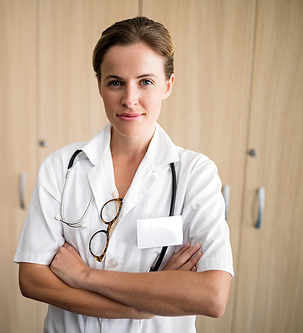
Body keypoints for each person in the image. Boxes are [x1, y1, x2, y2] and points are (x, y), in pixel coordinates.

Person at [14, 16, 233, 332]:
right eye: (115, 81)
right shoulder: (61, 167)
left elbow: (212, 296)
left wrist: (84, 276)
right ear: (100, 85)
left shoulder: (195, 174)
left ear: (168, 86)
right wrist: (143, 303)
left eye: (146, 82)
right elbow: (32, 280)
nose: (130, 99)